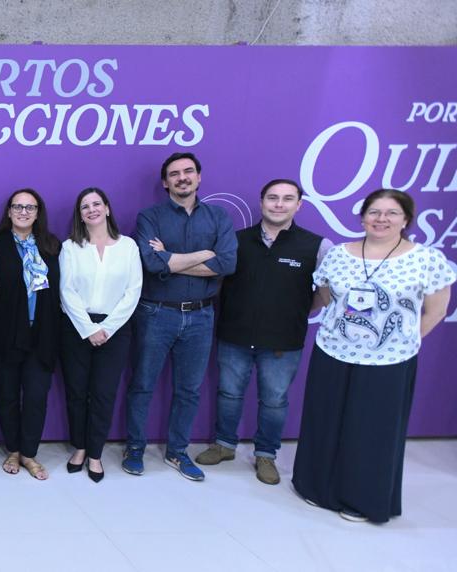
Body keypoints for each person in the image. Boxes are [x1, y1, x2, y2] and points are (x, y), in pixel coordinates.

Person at [293, 189, 453, 523]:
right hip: (333, 351)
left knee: (372, 430)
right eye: (374, 212)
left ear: (406, 219)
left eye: (392, 213)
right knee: (325, 421)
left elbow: (436, 310)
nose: (382, 219)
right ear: (363, 216)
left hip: (389, 361)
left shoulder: (425, 259)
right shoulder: (338, 254)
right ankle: (316, 486)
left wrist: (406, 342)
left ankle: (361, 499)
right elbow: (325, 295)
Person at [195, 179, 332, 485]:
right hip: (235, 334)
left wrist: (295, 312)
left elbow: (324, 292)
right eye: (272, 198)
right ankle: (224, 445)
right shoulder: (236, 240)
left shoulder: (317, 246)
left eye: (287, 199)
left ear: (299, 205)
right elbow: (218, 283)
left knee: (274, 400)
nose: (278, 204)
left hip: (283, 340)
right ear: (261, 202)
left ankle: (266, 455)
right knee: (229, 394)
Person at [124, 152, 237, 481]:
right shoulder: (150, 217)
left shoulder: (219, 217)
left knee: (189, 389)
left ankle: (177, 451)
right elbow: (152, 264)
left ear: (199, 177)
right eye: (175, 174)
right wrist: (205, 255)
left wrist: (172, 258)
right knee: (142, 385)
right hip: (156, 313)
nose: (182, 177)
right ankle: (135, 448)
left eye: (188, 172)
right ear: (165, 182)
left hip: (201, 317)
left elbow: (227, 264)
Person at [59, 188, 142, 483]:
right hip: (77, 328)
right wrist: (90, 329)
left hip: (116, 330)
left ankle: (95, 453)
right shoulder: (70, 247)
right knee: (77, 392)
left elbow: (133, 292)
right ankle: (79, 448)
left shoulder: (128, 246)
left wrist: (107, 328)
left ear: (107, 208)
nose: (91, 210)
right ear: (79, 215)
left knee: (104, 394)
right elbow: (67, 291)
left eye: (96, 204)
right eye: (85, 206)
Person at [0, 188, 61, 480]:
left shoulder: (51, 245)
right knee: (7, 396)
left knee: (35, 396)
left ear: (38, 212)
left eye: (30, 207)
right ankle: (13, 450)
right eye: (17, 206)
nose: (23, 212)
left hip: (41, 334)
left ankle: (29, 453)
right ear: (8, 212)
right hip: (5, 335)